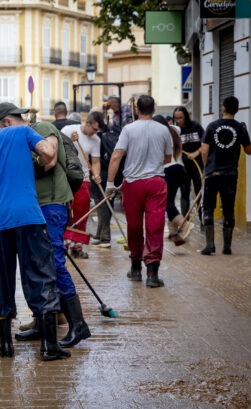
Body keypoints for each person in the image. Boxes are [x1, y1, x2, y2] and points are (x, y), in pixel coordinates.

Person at [0, 108, 70, 361]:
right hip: (28, 218)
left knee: (0, 282)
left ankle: (5, 346)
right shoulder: (22, 131)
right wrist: (43, 163)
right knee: (40, 276)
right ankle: (48, 346)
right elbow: (48, 152)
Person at [0, 103, 91, 348]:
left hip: (52, 205)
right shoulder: (17, 140)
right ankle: (41, 321)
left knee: (54, 262)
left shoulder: (42, 128)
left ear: (6, 123)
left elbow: (49, 160)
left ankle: (77, 324)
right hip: (34, 208)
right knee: (34, 265)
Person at [106, 95, 173, 288]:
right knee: (155, 226)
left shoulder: (128, 129)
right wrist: (152, 163)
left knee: (134, 226)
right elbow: (167, 157)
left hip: (133, 183)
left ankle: (135, 268)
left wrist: (110, 183)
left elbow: (116, 155)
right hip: (156, 182)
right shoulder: (163, 130)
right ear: (154, 109)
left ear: (137, 110)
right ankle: (152, 273)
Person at [198, 96, 251, 255]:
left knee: (208, 208)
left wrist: (206, 169)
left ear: (223, 108)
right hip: (230, 174)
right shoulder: (239, 127)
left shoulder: (212, 126)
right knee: (228, 209)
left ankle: (210, 245)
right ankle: (227, 247)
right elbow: (249, 150)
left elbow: (204, 150)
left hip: (212, 173)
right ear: (238, 110)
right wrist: (244, 131)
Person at [61, 112, 105, 258]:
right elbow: (58, 149)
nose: (95, 132)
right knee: (66, 211)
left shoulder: (96, 140)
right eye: (94, 129)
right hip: (66, 177)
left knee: (82, 212)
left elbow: (96, 162)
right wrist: (69, 141)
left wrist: (96, 174)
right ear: (87, 123)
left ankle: (77, 246)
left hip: (83, 179)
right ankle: (64, 243)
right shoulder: (68, 130)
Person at [154, 115, 189, 245]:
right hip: (180, 170)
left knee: (163, 201)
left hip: (168, 170)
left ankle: (184, 224)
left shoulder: (159, 136)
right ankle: (174, 234)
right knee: (170, 200)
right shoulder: (175, 130)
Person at [90, 122, 121, 248]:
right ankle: (99, 234)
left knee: (101, 204)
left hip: (100, 174)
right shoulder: (115, 134)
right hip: (115, 173)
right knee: (108, 204)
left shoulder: (96, 137)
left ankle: (105, 238)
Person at [173, 106, 205, 221]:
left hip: (197, 163)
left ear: (186, 116)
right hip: (183, 166)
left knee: (199, 191)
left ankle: (202, 219)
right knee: (184, 191)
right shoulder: (175, 131)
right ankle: (185, 221)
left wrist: (196, 153)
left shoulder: (196, 126)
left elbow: (206, 144)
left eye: (181, 118)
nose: (178, 121)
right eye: (176, 118)